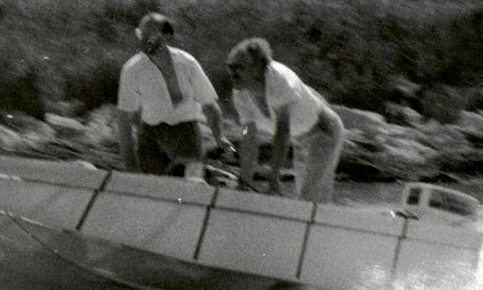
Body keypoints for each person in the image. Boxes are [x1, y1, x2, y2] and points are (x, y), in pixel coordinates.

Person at [225, 37, 345, 203]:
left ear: (258, 66)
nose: (232, 73)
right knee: (306, 201)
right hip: (300, 141)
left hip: (324, 132)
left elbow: (283, 131)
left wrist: (274, 178)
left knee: (310, 200)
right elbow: (248, 135)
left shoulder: (279, 79)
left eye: (238, 67)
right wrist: (244, 181)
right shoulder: (240, 93)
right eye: (229, 67)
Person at [116, 12, 232, 180]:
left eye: (150, 34)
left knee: (191, 188)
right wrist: (130, 164)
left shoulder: (187, 63)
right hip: (151, 135)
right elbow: (124, 118)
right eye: (141, 34)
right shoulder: (132, 69)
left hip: (186, 133)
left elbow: (209, 104)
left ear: (167, 36)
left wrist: (219, 137)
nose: (144, 39)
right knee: (150, 191)